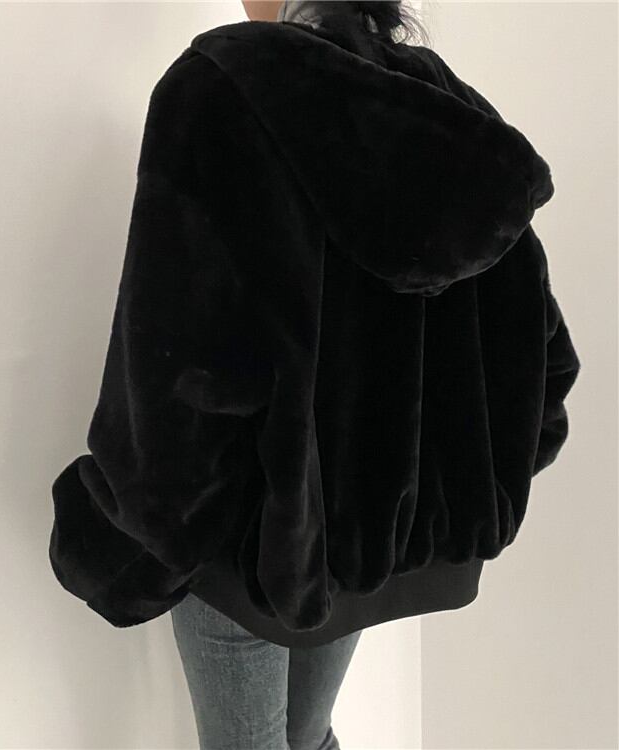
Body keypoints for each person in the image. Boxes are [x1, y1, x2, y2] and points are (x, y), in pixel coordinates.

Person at [47, 1, 582, 748]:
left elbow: (179, 364)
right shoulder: (455, 109)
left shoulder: (219, 88)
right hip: (367, 545)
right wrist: (452, 483)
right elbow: (542, 355)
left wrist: (133, 541)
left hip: (254, 537)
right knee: (308, 738)